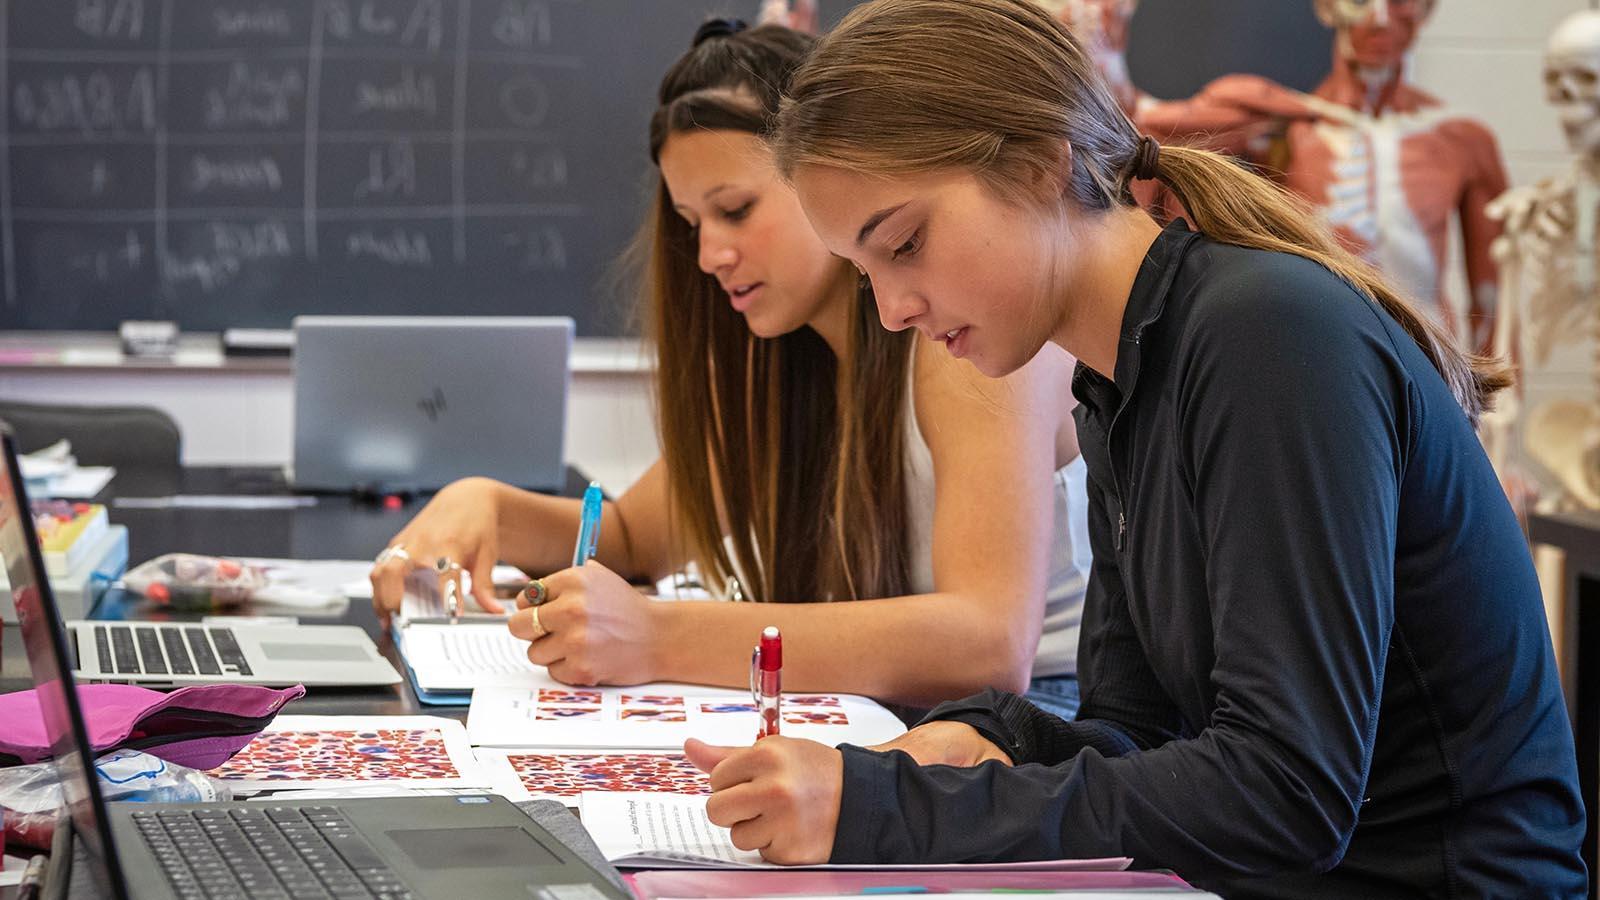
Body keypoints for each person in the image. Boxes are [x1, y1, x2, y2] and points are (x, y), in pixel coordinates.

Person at [681, 1, 1586, 896]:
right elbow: (1139, 730)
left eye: (906, 244)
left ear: (1042, 166)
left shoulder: (1267, 335)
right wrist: (994, 739)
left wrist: (893, 808)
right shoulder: (1112, 379)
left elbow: (1289, 792)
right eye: (866, 272)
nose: (892, 311)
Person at [368, 19, 1091, 715]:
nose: (710, 254)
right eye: (692, 226)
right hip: (897, 719)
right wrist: (485, 505)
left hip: (1040, 727)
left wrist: (655, 636)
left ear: (830, 180)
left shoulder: (961, 333)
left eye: (736, 210)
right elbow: (630, 537)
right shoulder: (785, 362)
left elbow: (989, 644)